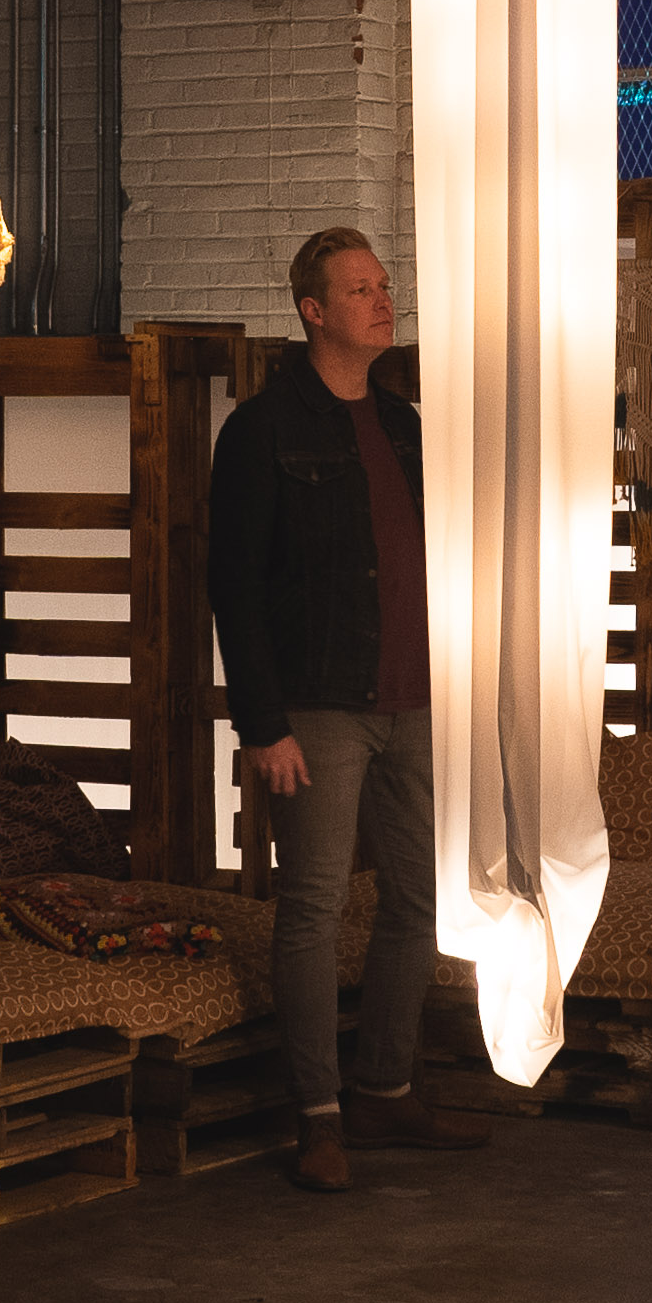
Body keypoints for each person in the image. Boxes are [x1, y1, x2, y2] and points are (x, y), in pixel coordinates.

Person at [201, 229, 493, 1196]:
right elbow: (234, 585)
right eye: (360, 289)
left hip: (416, 698)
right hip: (318, 706)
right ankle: (318, 1116)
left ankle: (384, 1088)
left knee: (419, 897)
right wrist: (262, 722)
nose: (382, 300)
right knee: (314, 907)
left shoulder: (405, 423)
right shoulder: (261, 429)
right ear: (314, 311)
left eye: (384, 284)